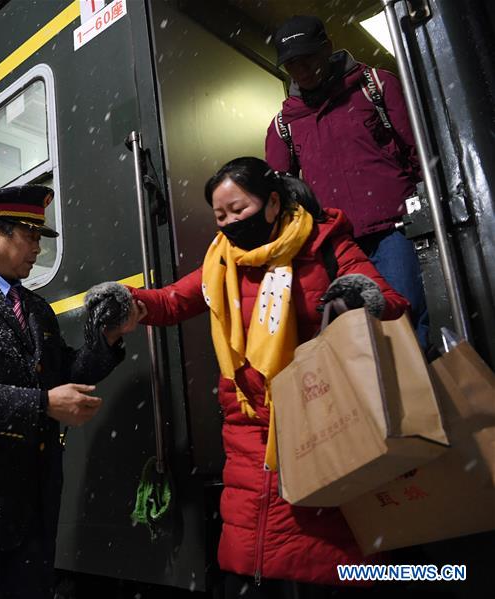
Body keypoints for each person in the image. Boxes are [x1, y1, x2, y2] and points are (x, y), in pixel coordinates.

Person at [123, 157, 409, 596]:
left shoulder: (324, 244)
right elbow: (171, 301)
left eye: (239, 210)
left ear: (273, 202)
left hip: (325, 420)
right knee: (253, 555)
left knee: (334, 562)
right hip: (249, 432)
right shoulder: (223, 261)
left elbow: (386, 299)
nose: (231, 223)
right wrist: (126, 301)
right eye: (220, 216)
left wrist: (356, 297)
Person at [0, 185, 142, 599]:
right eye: (30, 236)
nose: (38, 248)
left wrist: (107, 338)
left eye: (39, 238)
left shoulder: (35, 308)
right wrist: (43, 404)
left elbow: (64, 372)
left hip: (31, 504)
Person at [265, 15, 428, 349]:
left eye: (309, 57)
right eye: (293, 64)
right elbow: (278, 196)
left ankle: (418, 395)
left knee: (404, 322)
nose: (304, 69)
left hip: (391, 230)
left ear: (327, 47)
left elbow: (419, 152)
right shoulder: (284, 124)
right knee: (353, 340)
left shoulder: (375, 85)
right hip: (335, 245)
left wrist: (402, 197)